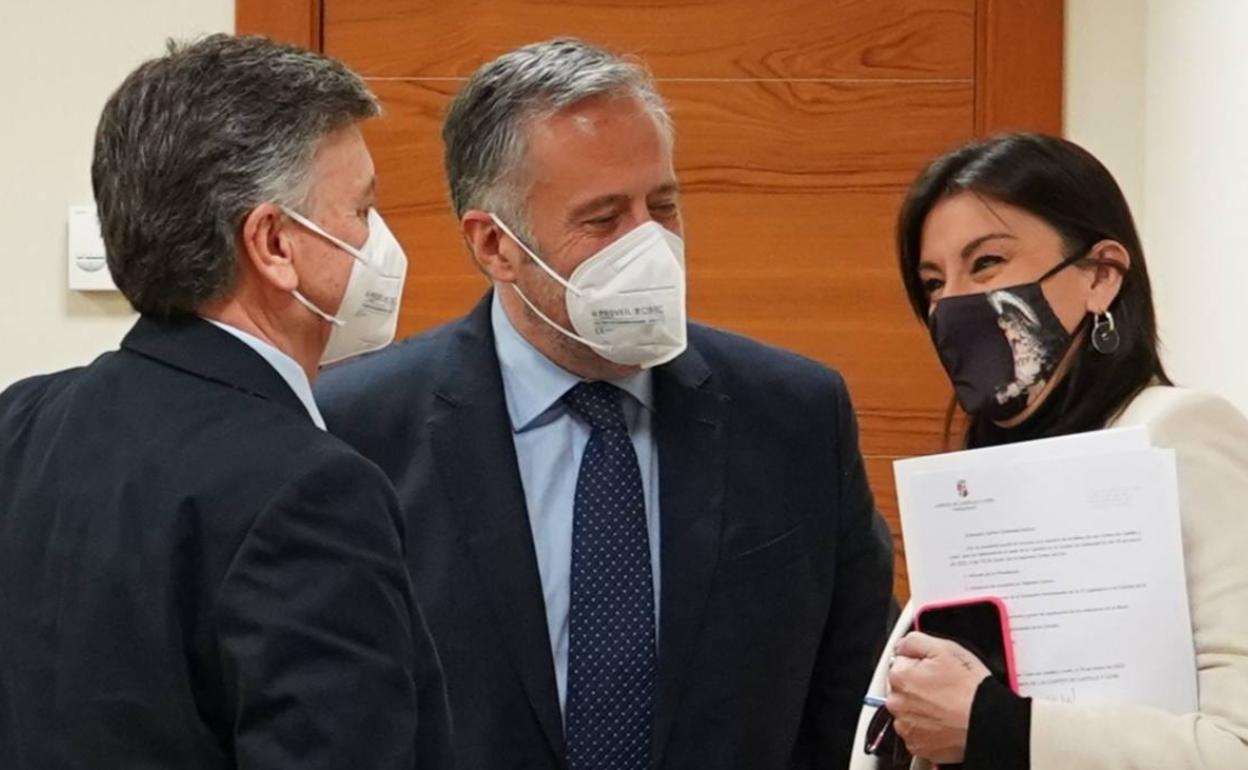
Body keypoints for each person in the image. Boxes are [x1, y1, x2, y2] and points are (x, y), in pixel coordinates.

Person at [316, 38, 895, 770]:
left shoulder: (796, 416)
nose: (649, 247)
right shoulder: (356, 430)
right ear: (495, 245)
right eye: (602, 219)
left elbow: (852, 699)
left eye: (663, 206)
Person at [0, 35, 450, 769]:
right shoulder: (310, 488)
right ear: (274, 242)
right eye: (363, 210)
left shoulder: (19, 421)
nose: (380, 241)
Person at [850, 133, 1248, 770]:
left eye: (986, 264)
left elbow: (1238, 745)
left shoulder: (1176, 434)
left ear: (1101, 275)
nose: (953, 303)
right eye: (932, 283)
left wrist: (996, 727)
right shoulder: (982, 482)